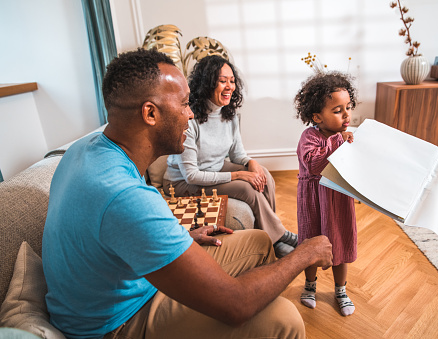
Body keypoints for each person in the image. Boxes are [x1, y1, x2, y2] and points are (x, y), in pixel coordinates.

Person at [41, 48, 333, 339]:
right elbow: (236, 305)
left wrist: (182, 238)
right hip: (115, 322)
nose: (190, 113)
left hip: (128, 280)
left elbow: (112, 235)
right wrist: (305, 254)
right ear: (150, 113)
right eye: (183, 104)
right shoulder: (127, 198)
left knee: (257, 241)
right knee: (285, 319)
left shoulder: (84, 148)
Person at [162, 55, 297, 258]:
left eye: (232, 81)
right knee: (246, 187)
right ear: (207, 83)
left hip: (214, 168)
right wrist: (238, 176)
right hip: (181, 182)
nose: (229, 86)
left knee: (265, 177)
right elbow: (191, 175)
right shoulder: (190, 120)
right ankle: (278, 237)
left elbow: (237, 154)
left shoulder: (229, 114)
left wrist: (252, 164)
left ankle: (273, 236)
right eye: (222, 81)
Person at [294, 70, 358, 316]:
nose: (346, 114)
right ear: (317, 117)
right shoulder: (309, 137)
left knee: (339, 241)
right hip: (312, 198)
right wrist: (338, 141)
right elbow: (314, 164)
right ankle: (309, 286)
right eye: (337, 110)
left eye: (348, 107)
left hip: (338, 198)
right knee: (311, 241)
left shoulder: (348, 138)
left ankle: (340, 290)